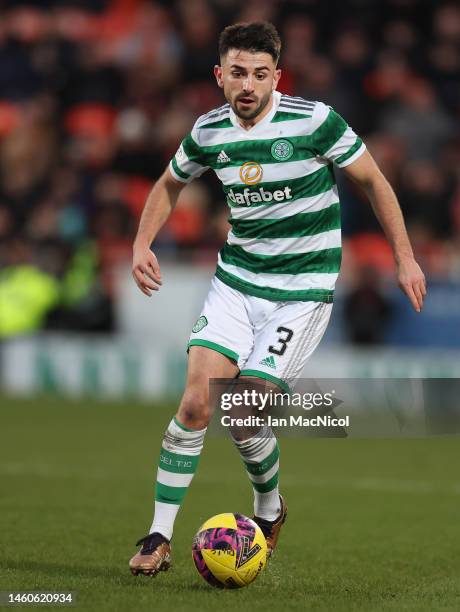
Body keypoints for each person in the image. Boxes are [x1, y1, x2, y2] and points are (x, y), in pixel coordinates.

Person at [129, 21, 426, 576]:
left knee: (243, 408)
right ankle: (157, 537)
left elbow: (375, 180)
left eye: (260, 75)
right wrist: (143, 242)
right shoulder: (210, 130)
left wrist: (405, 256)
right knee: (196, 404)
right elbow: (170, 182)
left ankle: (269, 507)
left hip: (302, 292)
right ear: (220, 75)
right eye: (238, 73)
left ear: (276, 78)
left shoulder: (314, 121)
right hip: (237, 282)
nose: (249, 85)